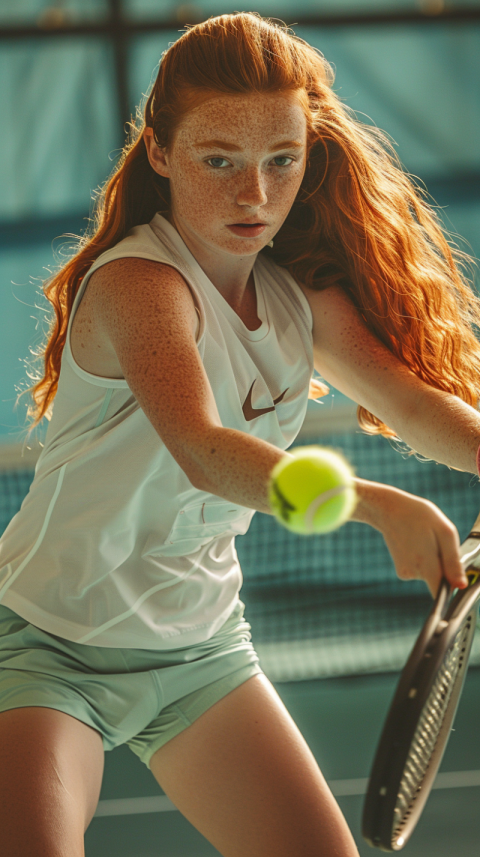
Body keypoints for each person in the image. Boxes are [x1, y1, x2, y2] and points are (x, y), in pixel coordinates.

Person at [0, 11, 479, 857]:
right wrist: (376, 506)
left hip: (201, 653)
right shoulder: (141, 287)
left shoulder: (302, 301)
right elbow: (203, 447)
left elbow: (407, 403)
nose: (253, 195)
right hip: (44, 648)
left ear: (308, 153)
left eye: (280, 160)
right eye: (218, 159)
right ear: (159, 151)